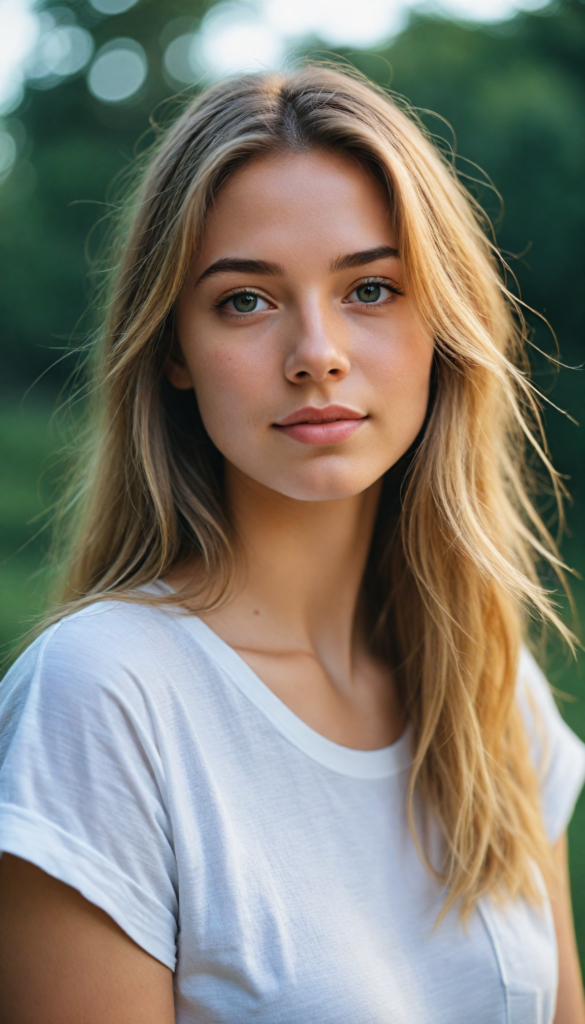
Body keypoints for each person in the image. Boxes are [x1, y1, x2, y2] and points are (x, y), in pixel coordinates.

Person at [0, 64, 584, 1024]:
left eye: (370, 287)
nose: (317, 351)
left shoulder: (488, 682)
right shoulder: (105, 697)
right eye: (246, 300)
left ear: (441, 326)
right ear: (173, 350)